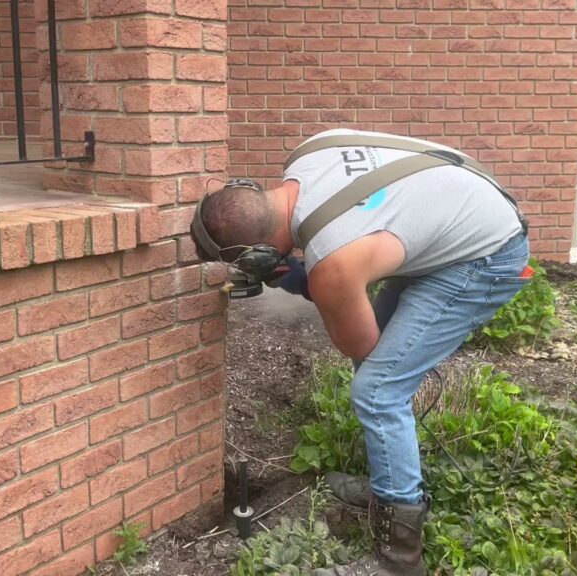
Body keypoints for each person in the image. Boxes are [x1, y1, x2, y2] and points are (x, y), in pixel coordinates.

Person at [190, 129, 532, 576]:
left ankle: (400, 559)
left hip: (484, 257)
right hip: (453, 224)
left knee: (378, 389)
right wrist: (310, 276)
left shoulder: (334, 262)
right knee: (381, 379)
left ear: (254, 255)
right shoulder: (311, 152)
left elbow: (362, 345)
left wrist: (307, 280)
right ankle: (390, 484)